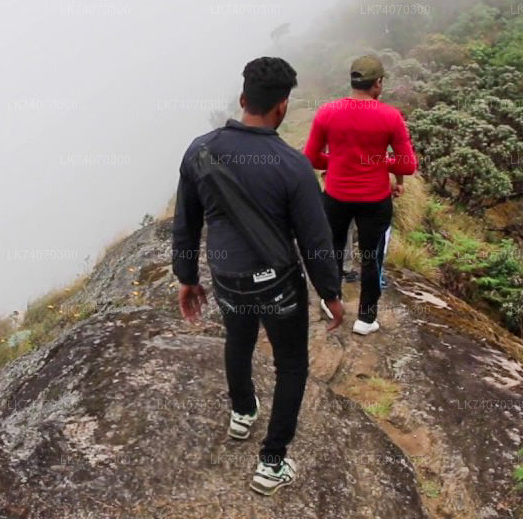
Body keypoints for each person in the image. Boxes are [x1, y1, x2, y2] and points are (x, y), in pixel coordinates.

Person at [172, 57, 343, 496]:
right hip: (277, 283)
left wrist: (187, 277)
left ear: (243, 98)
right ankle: (272, 462)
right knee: (291, 364)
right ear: (282, 106)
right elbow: (315, 241)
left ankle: (242, 413)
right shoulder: (293, 165)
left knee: (239, 339)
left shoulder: (200, 151)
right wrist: (330, 293)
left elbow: (186, 221)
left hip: (226, 277)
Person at [303, 55, 418, 336]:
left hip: (335, 197)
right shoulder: (391, 116)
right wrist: (379, 162)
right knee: (371, 255)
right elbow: (407, 165)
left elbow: (311, 157)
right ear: (378, 83)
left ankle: (332, 300)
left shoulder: (327, 112)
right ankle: (366, 319)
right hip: (375, 200)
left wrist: (339, 161)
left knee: (332, 249)